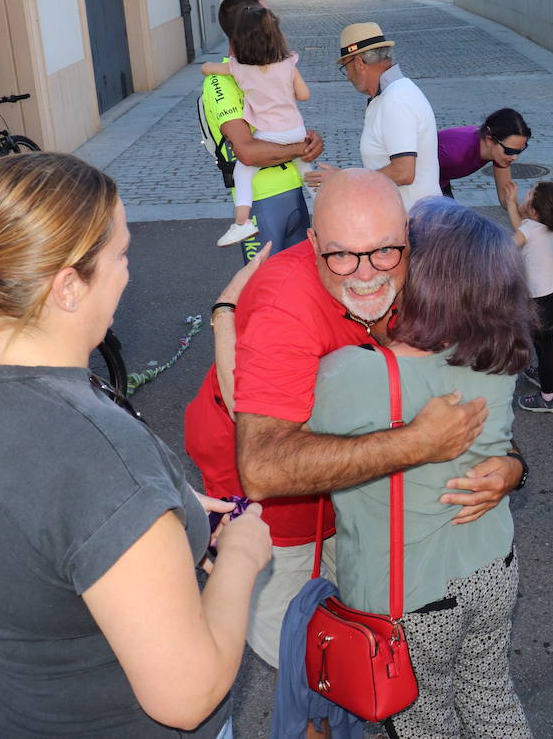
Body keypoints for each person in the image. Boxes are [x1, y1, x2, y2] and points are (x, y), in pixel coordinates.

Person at [0, 153, 273, 736]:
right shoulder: (99, 457)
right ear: (69, 286)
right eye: (120, 254)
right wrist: (243, 555)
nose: (126, 270)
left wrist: (160, 521)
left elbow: (31, 523)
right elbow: (187, 695)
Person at [185, 169, 523, 667]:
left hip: (365, 498)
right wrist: (418, 443)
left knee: (367, 651)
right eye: (340, 255)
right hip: (281, 511)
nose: (365, 274)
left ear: (410, 238)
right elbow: (262, 468)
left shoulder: (421, 273)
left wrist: (513, 465)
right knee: (307, 661)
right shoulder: (288, 304)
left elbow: (475, 382)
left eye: (384, 251)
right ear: (314, 241)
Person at [311, 197, 532, 738]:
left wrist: (226, 318)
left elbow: (255, 431)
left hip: (409, 600)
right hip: (493, 568)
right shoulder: (497, 357)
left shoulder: (354, 375)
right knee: (490, 700)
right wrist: (513, 468)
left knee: (421, 723)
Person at [203, 0, 325, 264]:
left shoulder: (268, 65)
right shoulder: (220, 82)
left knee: (302, 282)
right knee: (265, 291)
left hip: (293, 191)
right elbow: (247, 153)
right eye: (266, 18)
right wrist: (299, 148)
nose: (273, 24)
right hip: (262, 203)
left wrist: (310, 140)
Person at [338, 22, 441, 211]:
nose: (347, 77)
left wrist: (347, 181)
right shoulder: (390, 95)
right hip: (408, 220)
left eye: (346, 67)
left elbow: (403, 172)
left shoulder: (396, 100)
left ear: (359, 63)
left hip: (414, 223)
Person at [503, 180, 553, 413]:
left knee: (544, 346)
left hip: (540, 304)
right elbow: (523, 229)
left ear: (534, 212)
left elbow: (509, 245)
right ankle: (545, 375)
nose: (526, 194)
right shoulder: (551, 226)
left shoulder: (530, 230)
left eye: (529, 194)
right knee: (545, 342)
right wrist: (513, 204)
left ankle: (549, 398)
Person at [436, 108, 531, 202]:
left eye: (519, 151)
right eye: (510, 151)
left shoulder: (500, 153)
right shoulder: (455, 153)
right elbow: (421, 172)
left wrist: (524, 214)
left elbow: (505, 198)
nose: (515, 157)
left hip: (441, 179)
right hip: (427, 177)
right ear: (489, 140)